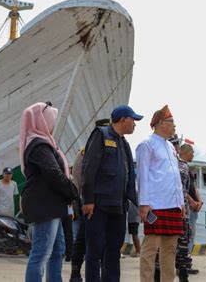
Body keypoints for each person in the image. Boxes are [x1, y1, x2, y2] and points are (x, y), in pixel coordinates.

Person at [82, 105, 142, 282]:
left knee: (114, 251)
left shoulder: (124, 144)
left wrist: (137, 203)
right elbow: (89, 169)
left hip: (118, 206)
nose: (135, 125)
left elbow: (129, 176)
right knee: (94, 250)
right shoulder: (101, 135)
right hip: (98, 205)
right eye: (133, 120)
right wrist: (88, 200)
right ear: (123, 119)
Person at [20, 101, 79, 282]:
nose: (53, 125)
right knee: (41, 253)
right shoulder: (39, 145)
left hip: (52, 205)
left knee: (57, 250)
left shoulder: (43, 143)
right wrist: (73, 192)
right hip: (46, 205)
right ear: (42, 120)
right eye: (50, 120)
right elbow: (53, 173)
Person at [136, 105, 185, 282]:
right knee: (150, 249)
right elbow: (142, 176)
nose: (175, 126)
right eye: (172, 122)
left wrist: (181, 203)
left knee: (170, 250)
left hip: (173, 205)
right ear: (161, 123)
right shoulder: (146, 145)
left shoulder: (171, 148)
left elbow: (176, 178)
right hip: (155, 205)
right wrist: (144, 203)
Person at [70, 118, 110, 282]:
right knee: (83, 239)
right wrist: (84, 202)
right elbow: (79, 181)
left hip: (106, 205)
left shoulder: (110, 150)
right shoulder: (84, 152)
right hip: (89, 204)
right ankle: (76, 272)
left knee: (104, 242)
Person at [175, 143, 196, 282]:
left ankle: (183, 271)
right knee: (182, 244)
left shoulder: (181, 166)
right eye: (192, 152)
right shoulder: (182, 167)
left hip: (182, 210)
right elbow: (182, 191)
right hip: (181, 212)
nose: (193, 155)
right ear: (186, 152)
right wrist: (183, 210)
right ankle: (183, 275)